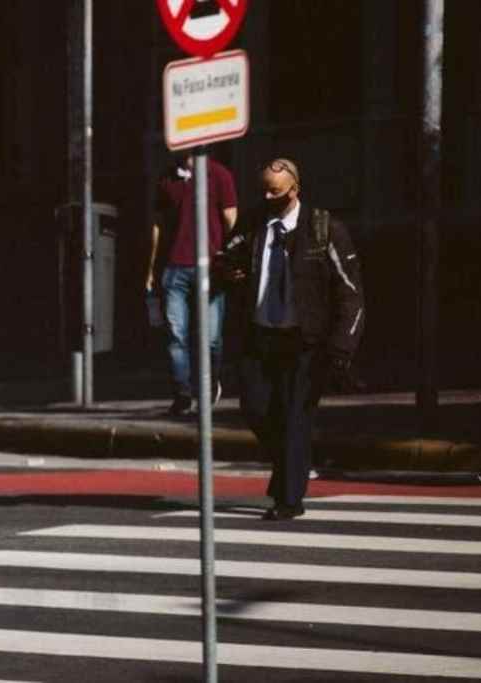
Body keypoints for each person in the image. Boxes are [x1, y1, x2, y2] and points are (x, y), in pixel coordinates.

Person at [221, 158, 364, 520]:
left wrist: (342, 345)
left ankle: (289, 500)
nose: (269, 197)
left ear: (295, 189)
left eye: (277, 191)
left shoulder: (324, 228)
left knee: (295, 418)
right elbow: (225, 256)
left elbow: (351, 293)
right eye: (264, 190)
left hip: (305, 340)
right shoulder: (254, 223)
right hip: (260, 335)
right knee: (254, 408)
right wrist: (230, 270)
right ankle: (290, 467)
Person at [147, 151, 238, 416]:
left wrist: (231, 260)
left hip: (212, 268)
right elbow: (158, 226)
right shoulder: (166, 179)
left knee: (210, 339)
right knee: (176, 336)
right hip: (174, 269)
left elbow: (231, 220)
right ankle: (183, 395)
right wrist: (151, 268)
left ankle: (209, 386)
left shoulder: (219, 175)